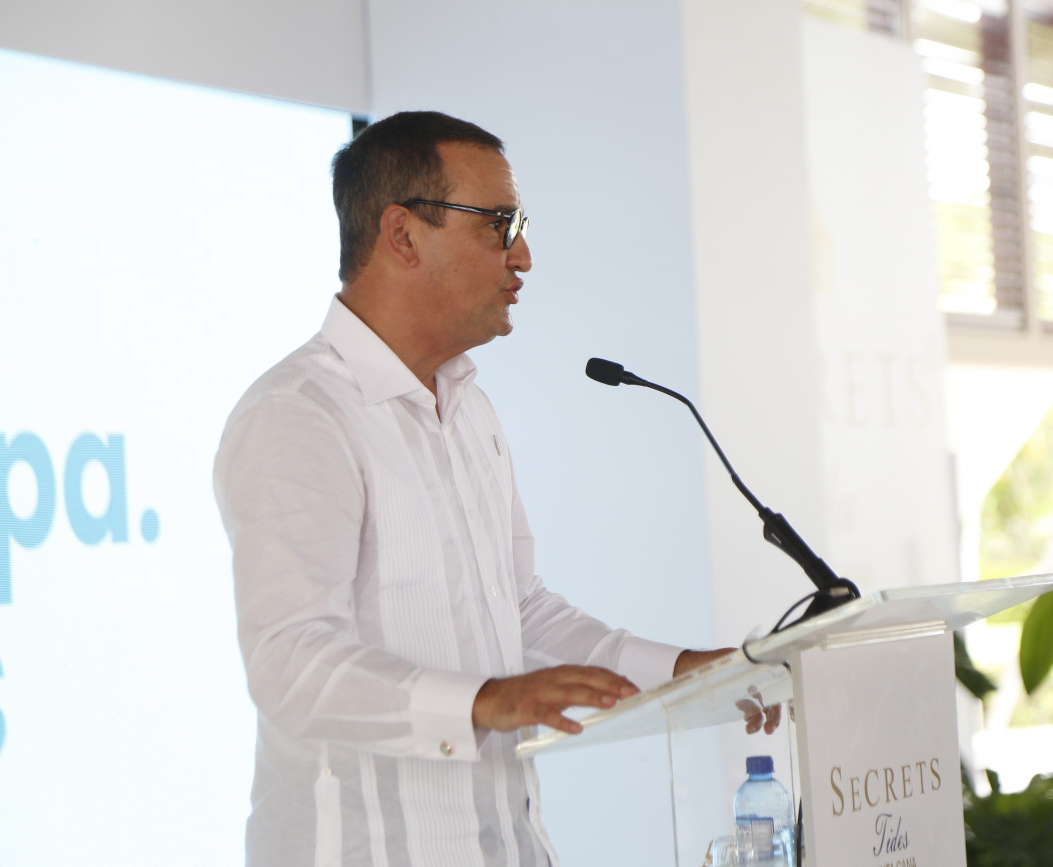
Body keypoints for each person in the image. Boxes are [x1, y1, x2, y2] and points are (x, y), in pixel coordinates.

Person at [213, 110, 778, 867]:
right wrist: (483, 701)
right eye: (498, 224)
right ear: (402, 234)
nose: (524, 256)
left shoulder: (468, 407)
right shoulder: (299, 414)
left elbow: (520, 611)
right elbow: (290, 662)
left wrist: (687, 674)